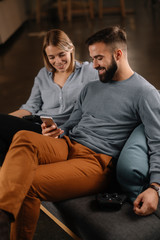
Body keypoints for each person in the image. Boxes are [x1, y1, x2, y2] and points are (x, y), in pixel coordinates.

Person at [0, 26, 160, 240]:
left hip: (97, 161)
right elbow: (71, 125)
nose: (94, 65)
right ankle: (3, 212)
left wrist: (155, 187)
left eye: (99, 58)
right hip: (68, 144)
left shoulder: (144, 93)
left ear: (118, 54)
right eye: (92, 58)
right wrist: (56, 131)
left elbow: (157, 142)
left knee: (29, 184)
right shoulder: (91, 88)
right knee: (22, 137)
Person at [0, 29, 99, 165]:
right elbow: (30, 107)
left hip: (58, 132)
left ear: (70, 49)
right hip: (36, 125)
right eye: (51, 57)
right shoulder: (43, 74)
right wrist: (8, 119)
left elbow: (114, 75)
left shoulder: (88, 72)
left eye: (61, 55)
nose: (57, 61)